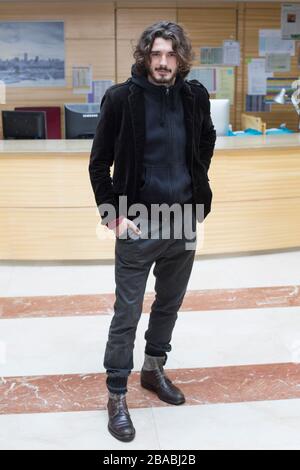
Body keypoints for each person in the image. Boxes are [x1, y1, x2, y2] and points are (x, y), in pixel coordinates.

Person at [89, 20, 216, 442]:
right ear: (145, 56)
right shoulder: (122, 98)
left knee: (169, 304)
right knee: (127, 312)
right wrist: (113, 217)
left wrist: (197, 188)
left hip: (183, 221)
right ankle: (116, 392)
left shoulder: (195, 96)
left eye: (170, 54)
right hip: (137, 224)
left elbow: (206, 141)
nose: (163, 63)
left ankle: (153, 368)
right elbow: (98, 163)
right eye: (156, 54)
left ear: (181, 58)